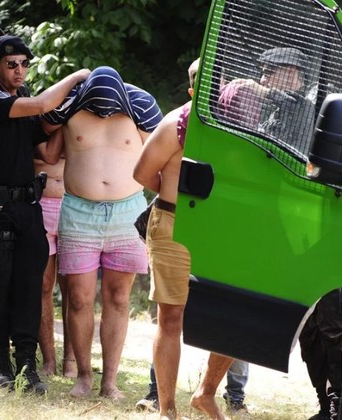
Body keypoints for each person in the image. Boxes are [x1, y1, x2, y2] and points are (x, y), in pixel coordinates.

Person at [0, 34, 90, 394]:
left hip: (26, 209)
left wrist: (69, 116)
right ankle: (3, 367)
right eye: (11, 64)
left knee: (28, 289)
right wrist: (78, 77)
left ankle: (27, 367)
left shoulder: (21, 100)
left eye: (23, 64)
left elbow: (48, 153)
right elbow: (43, 103)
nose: (19, 71)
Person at [42, 66, 162, 399]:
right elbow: (45, 129)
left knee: (119, 298)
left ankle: (109, 382)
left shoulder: (141, 104)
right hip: (79, 212)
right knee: (79, 298)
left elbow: (160, 153)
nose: (104, 113)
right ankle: (83, 376)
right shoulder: (69, 104)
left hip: (128, 212)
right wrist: (71, 84)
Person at [134, 58, 231, 419]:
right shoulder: (175, 123)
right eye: (204, 83)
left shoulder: (238, 129)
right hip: (173, 224)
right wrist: (178, 194)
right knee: (170, 318)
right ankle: (167, 409)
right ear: (192, 89)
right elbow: (143, 173)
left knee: (234, 315)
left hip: (221, 231)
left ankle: (206, 394)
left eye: (217, 81)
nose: (212, 89)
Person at [219, 47, 315, 155]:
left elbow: (301, 107)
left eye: (268, 73)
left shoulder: (310, 103)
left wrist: (266, 92)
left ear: (290, 74)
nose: (262, 80)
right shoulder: (277, 112)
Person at [35, 156, 77, 378]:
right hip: (41, 204)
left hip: (74, 204)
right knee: (42, 286)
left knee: (73, 289)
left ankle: (70, 359)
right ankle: (48, 360)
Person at [300, 288, 342, 420]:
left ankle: (339, 410)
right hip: (308, 282)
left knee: (335, 337)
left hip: (335, 282)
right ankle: (326, 408)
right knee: (309, 338)